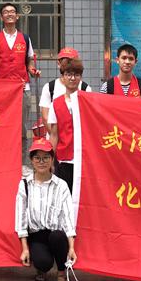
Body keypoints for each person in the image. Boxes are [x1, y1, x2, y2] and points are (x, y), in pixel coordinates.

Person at [15, 138, 77, 281]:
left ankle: (61, 275)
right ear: (31, 160)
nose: (41, 162)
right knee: (43, 262)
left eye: (46, 158)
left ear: (52, 159)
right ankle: (42, 267)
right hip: (36, 235)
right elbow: (21, 216)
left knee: (58, 237)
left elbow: (68, 217)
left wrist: (71, 248)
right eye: (37, 158)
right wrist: (24, 249)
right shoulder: (25, 185)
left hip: (56, 234)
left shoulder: (61, 185)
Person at [0, 3, 41, 140]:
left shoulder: (25, 38)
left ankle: (21, 152)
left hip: (22, 87)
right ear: (1, 17)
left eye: (12, 11)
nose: (9, 14)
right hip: (1, 88)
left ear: (17, 16)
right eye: (6, 12)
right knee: (1, 121)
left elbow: (29, 61)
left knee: (21, 125)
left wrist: (33, 71)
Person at [46, 57, 85, 193]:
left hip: (83, 160)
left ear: (80, 77)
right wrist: (50, 160)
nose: (72, 78)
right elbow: (54, 135)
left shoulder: (87, 101)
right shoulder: (56, 103)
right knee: (63, 196)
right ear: (63, 77)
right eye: (68, 74)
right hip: (64, 159)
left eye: (76, 74)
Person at [39, 47, 92, 125]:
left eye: (70, 61)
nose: (67, 65)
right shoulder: (49, 87)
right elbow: (45, 117)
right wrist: (57, 132)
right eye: (64, 62)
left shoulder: (85, 88)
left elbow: (89, 116)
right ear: (58, 64)